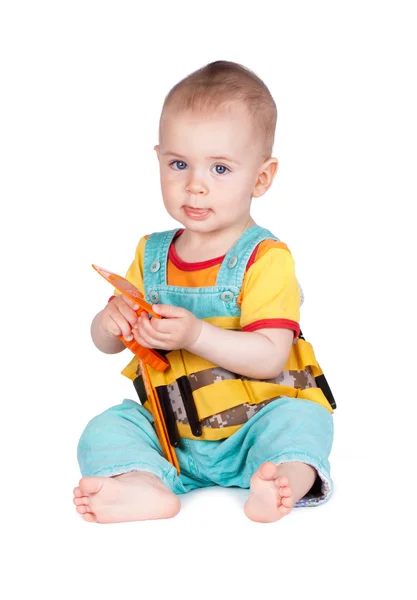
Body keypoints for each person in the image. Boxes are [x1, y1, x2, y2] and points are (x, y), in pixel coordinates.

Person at [73, 60, 335, 524]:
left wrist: (195, 334)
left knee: (304, 422)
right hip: (172, 436)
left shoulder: (266, 259)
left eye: (219, 168)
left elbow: (269, 357)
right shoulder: (152, 254)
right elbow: (108, 344)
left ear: (261, 177)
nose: (194, 185)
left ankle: (281, 480)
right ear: (158, 159)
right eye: (179, 164)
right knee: (106, 427)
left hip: (257, 428)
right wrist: (109, 323)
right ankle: (145, 483)